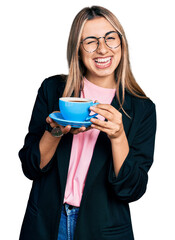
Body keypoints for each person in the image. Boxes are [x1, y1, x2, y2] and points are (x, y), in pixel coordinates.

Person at [18, 5, 156, 240]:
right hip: (45, 224)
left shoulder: (142, 108)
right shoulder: (53, 90)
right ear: (77, 50)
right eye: (90, 41)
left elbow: (131, 189)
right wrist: (55, 132)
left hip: (104, 231)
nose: (102, 48)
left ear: (121, 44)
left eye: (110, 38)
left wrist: (117, 136)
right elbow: (30, 167)